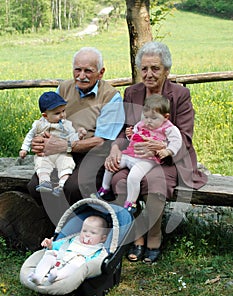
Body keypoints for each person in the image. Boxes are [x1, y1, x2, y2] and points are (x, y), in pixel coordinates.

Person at [105, 41, 208, 264]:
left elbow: (185, 137)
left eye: (155, 68)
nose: (149, 74)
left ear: (166, 70)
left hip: (167, 159)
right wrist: (115, 147)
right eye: (144, 68)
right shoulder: (132, 92)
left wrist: (161, 148)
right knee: (119, 180)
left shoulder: (180, 95)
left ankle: (154, 237)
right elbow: (125, 129)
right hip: (136, 157)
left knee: (155, 182)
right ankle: (137, 237)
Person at [27, 47, 125, 207]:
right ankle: (59, 226)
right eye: (77, 70)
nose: (81, 76)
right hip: (61, 152)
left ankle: (83, 227)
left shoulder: (110, 96)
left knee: (73, 187)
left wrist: (65, 146)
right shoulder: (64, 88)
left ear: (101, 72)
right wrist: (39, 140)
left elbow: (101, 141)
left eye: (88, 71)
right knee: (35, 186)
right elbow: (47, 123)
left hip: (94, 155)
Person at [95, 94, 182, 213]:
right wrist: (130, 135)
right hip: (131, 154)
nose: (148, 121)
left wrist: (167, 150)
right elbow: (134, 137)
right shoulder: (142, 123)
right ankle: (104, 189)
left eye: (153, 118)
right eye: (146, 117)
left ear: (166, 117)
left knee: (134, 177)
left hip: (147, 159)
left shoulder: (168, 128)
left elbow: (177, 141)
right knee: (112, 164)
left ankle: (131, 202)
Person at [19, 91, 87, 197]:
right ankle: (44, 183)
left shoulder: (66, 125)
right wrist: (24, 149)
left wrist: (79, 136)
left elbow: (71, 138)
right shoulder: (38, 125)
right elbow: (29, 136)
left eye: (63, 111)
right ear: (45, 115)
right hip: (45, 155)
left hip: (62, 153)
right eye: (57, 113)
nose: (62, 115)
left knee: (66, 165)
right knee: (42, 166)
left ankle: (61, 185)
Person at [28, 215, 110, 285]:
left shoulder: (99, 249)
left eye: (93, 233)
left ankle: (56, 276)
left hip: (74, 264)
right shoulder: (73, 239)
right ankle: (38, 276)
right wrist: (50, 244)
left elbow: (95, 262)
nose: (87, 235)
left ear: (102, 238)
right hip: (60, 258)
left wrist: (85, 262)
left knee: (76, 265)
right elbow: (60, 245)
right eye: (84, 231)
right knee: (49, 256)